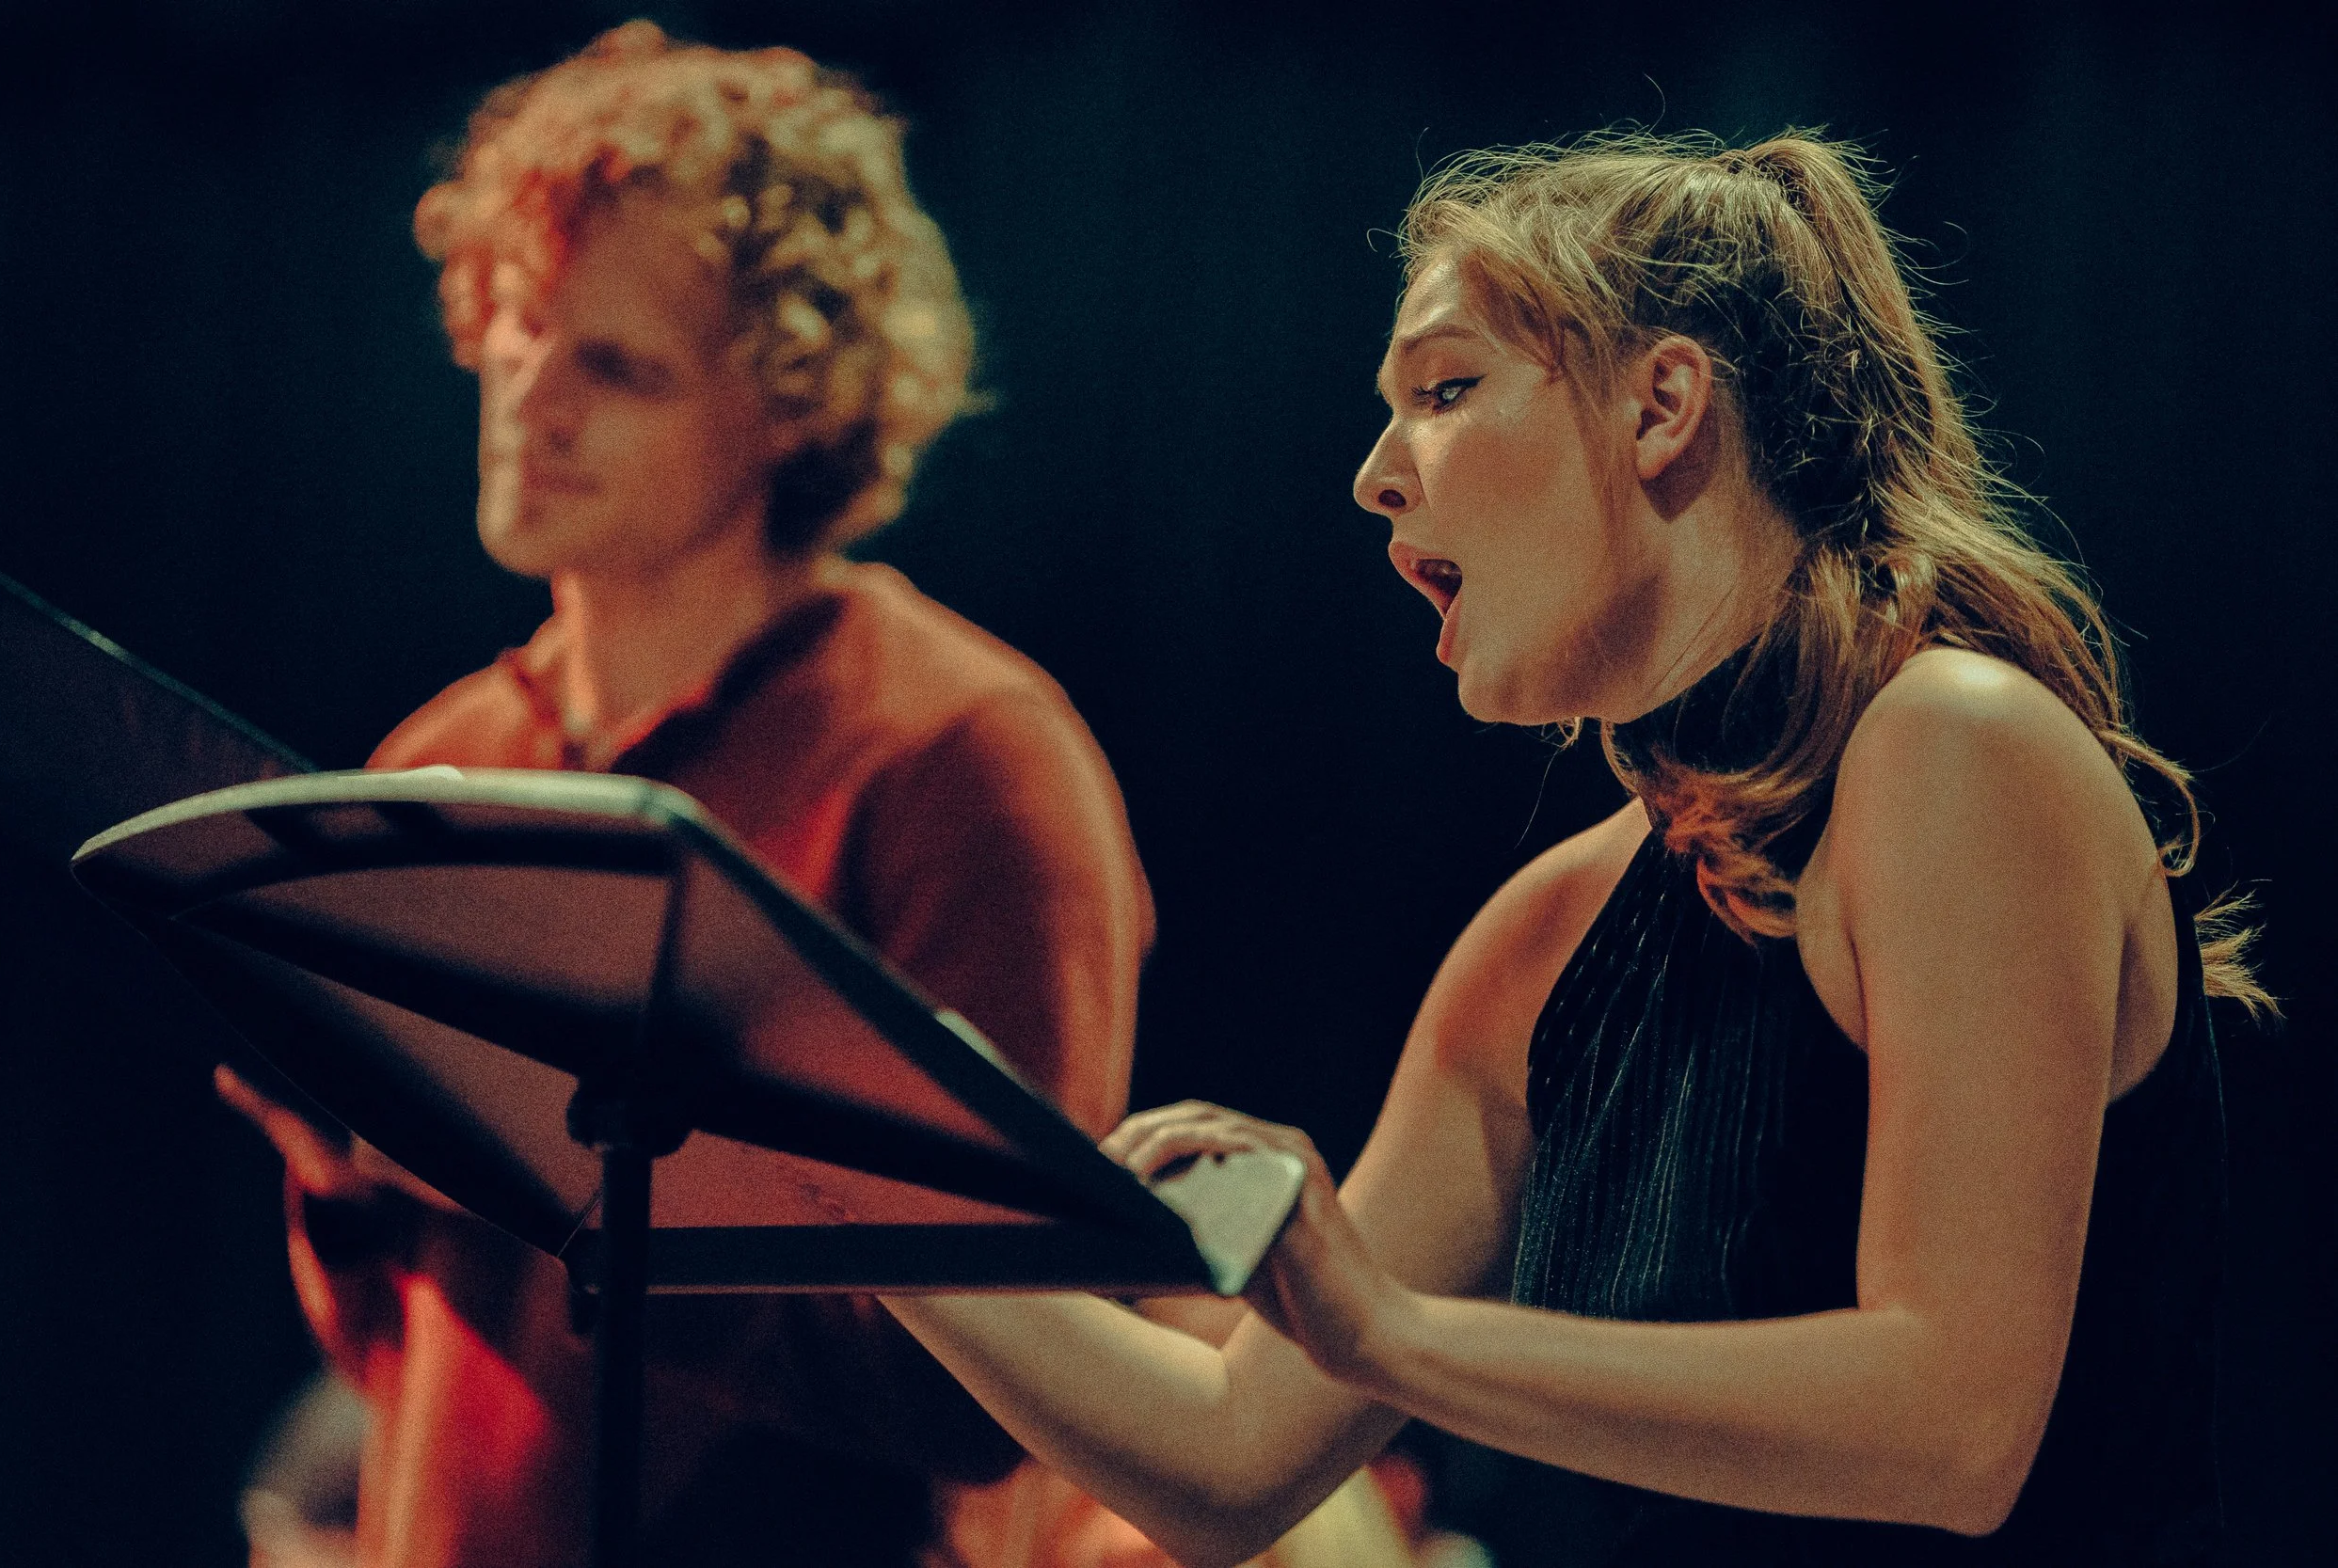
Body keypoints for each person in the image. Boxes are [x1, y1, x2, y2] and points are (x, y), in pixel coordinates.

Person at [884, 130, 2265, 1567]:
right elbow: (1232, 1457)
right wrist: (859, 1181)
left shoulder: (1955, 746)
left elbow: (1954, 1421)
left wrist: (1395, 1333)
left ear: (1662, 402)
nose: (1371, 477)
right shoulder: (1552, 928)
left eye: (1444, 389)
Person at [215, 23, 1172, 1565]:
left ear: (798, 397)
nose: (533, 397)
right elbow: (407, 1362)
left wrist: (580, 1188)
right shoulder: (444, 753)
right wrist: (350, 1190)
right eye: (518, 329)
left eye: (618, 362)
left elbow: (1011, 1382)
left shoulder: (963, 752)